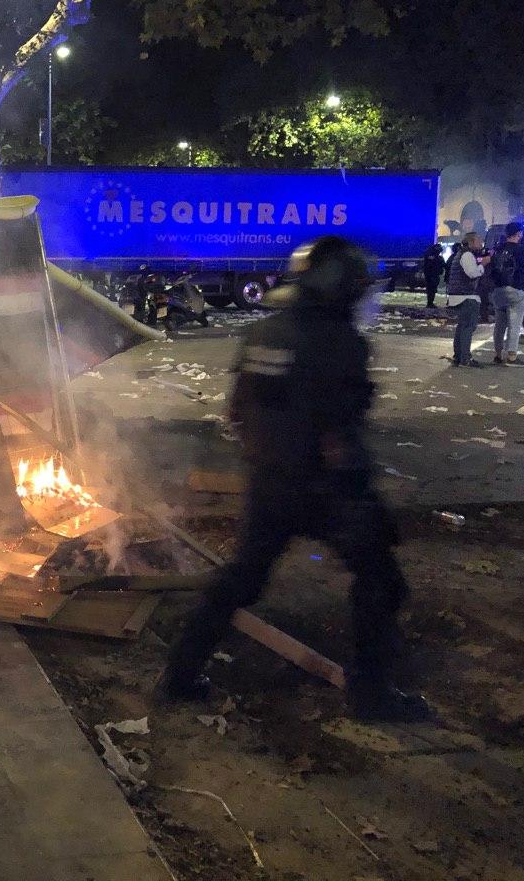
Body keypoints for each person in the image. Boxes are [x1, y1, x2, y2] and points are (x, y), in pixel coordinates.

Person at [160, 235, 430, 723]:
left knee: (241, 580)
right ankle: (372, 695)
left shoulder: (264, 332)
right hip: (325, 490)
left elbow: (237, 412)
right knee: (381, 581)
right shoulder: (341, 342)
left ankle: (179, 675)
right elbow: (340, 432)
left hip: (270, 484)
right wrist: (362, 502)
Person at [489, 222, 524, 365]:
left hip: (497, 291)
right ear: (518, 234)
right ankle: (511, 356)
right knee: (514, 325)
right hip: (515, 290)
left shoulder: (497, 248)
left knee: (500, 324)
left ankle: (498, 354)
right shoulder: (522, 250)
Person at [446, 232, 490, 367]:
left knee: (462, 327)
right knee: (467, 327)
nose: (481, 243)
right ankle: (465, 358)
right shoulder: (467, 255)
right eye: (479, 241)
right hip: (466, 297)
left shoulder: (461, 254)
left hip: (458, 296)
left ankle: (458, 356)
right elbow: (472, 273)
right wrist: (483, 265)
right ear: (471, 242)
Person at [421, 240, 445, 309]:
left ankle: (430, 303)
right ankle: (430, 303)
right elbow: (433, 265)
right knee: (431, 289)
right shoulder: (432, 255)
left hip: (433, 275)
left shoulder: (433, 255)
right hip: (432, 275)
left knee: (432, 290)